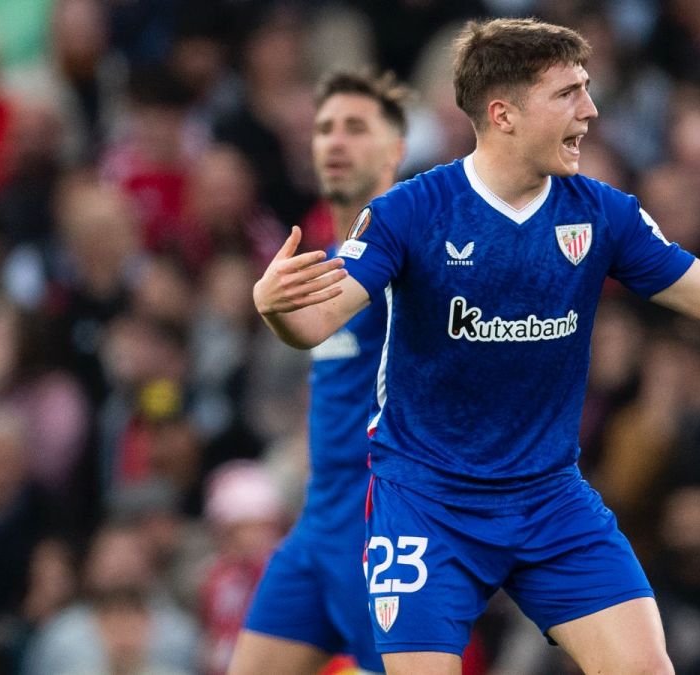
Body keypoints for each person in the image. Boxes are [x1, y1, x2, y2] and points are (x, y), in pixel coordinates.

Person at [253, 18, 700, 673]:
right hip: (428, 503)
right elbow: (322, 316)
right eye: (569, 94)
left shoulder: (602, 213)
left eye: (588, 89)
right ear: (504, 113)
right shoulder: (413, 211)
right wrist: (276, 309)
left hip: (549, 498)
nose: (591, 110)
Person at [230, 70, 408, 674]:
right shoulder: (319, 266)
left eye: (356, 128)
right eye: (325, 128)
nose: (335, 142)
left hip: (384, 531)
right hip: (318, 527)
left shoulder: (415, 259)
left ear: (396, 150)